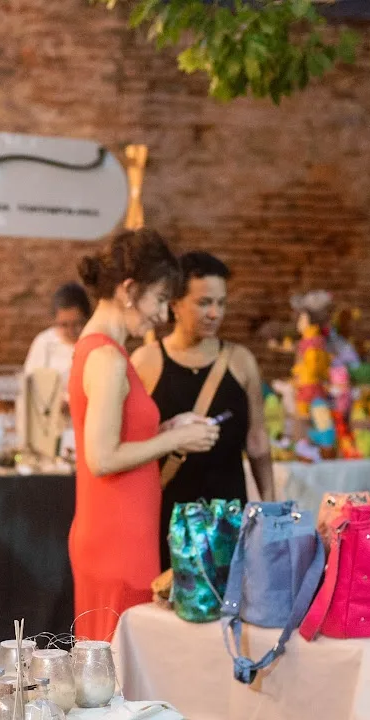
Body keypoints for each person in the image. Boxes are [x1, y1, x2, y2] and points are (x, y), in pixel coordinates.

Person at [131, 251, 282, 720]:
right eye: (204, 301)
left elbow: (259, 443)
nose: (216, 312)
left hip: (232, 517)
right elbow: (134, 449)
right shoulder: (146, 361)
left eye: (222, 301)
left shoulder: (240, 360)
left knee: (237, 632)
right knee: (181, 637)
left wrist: (273, 513)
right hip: (170, 522)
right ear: (175, 303)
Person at [68, 228, 219, 643]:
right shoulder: (106, 357)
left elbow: (115, 435)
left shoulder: (105, 351)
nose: (163, 315)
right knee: (119, 675)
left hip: (121, 531)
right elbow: (102, 457)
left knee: (119, 672)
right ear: (128, 290)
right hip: (116, 538)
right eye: (159, 299)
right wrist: (174, 442)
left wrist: (166, 428)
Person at [23, 282, 91, 383]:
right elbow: (30, 382)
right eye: (64, 325)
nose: (71, 331)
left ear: (86, 318)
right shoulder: (44, 342)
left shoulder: (93, 343)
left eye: (76, 324)